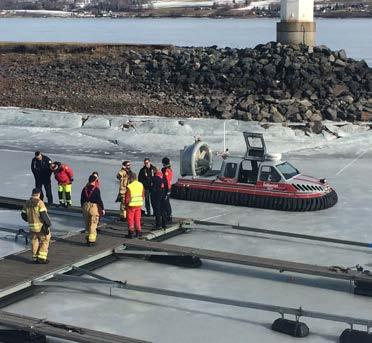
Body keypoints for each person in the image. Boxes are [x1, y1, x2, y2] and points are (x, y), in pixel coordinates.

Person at [21, 188, 52, 264]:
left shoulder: (27, 203)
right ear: (39, 194)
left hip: (31, 226)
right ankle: (41, 258)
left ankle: (35, 258)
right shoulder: (40, 203)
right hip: (40, 226)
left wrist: (29, 220)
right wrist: (48, 224)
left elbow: (23, 215)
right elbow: (43, 215)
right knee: (45, 240)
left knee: (34, 241)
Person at [81, 174, 105, 246]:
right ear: (94, 181)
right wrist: (102, 208)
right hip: (93, 207)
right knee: (93, 224)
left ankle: (88, 238)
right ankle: (91, 240)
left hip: (85, 206)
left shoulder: (84, 188)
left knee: (87, 223)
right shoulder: (96, 189)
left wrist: (83, 207)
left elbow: (81, 199)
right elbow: (99, 200)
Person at [124, 173, 144, 239]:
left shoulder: (130, 186)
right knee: (137, 218)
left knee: (130, 219)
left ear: (131, 178)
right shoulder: (140, 185)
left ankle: (131, 232)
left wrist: (126, 205)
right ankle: (139, 231)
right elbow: (143, 195)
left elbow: (127, 197)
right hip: (139, 204)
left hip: (131, 206)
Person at [161, 157, 173, 223]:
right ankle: (168, 216)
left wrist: (167, 190)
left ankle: (168, 216)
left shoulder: (166, 170)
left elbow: (166, 180)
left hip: (166, 188)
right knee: (166, 202)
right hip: (167, 187)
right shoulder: (169, 169)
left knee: (166, 202)